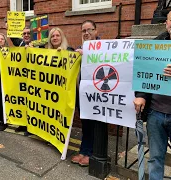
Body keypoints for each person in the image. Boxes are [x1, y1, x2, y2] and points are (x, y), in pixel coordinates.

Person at [134, 6, 171, 179]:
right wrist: (141, 96)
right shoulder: (155, 44)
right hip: (155, 114)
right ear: (166, 23)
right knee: (155, 159)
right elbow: (145, 74)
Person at [71, 20, 99, 167]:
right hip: (82, 95)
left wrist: (87, 54)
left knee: (94, 125)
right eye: (83, 31)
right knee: (86, 124)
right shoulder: (79, 49)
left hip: (98, 96)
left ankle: (91, 153)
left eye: (90, 30)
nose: (86, 33)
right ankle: (84, 151)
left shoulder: (104, 47)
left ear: (96, 31)